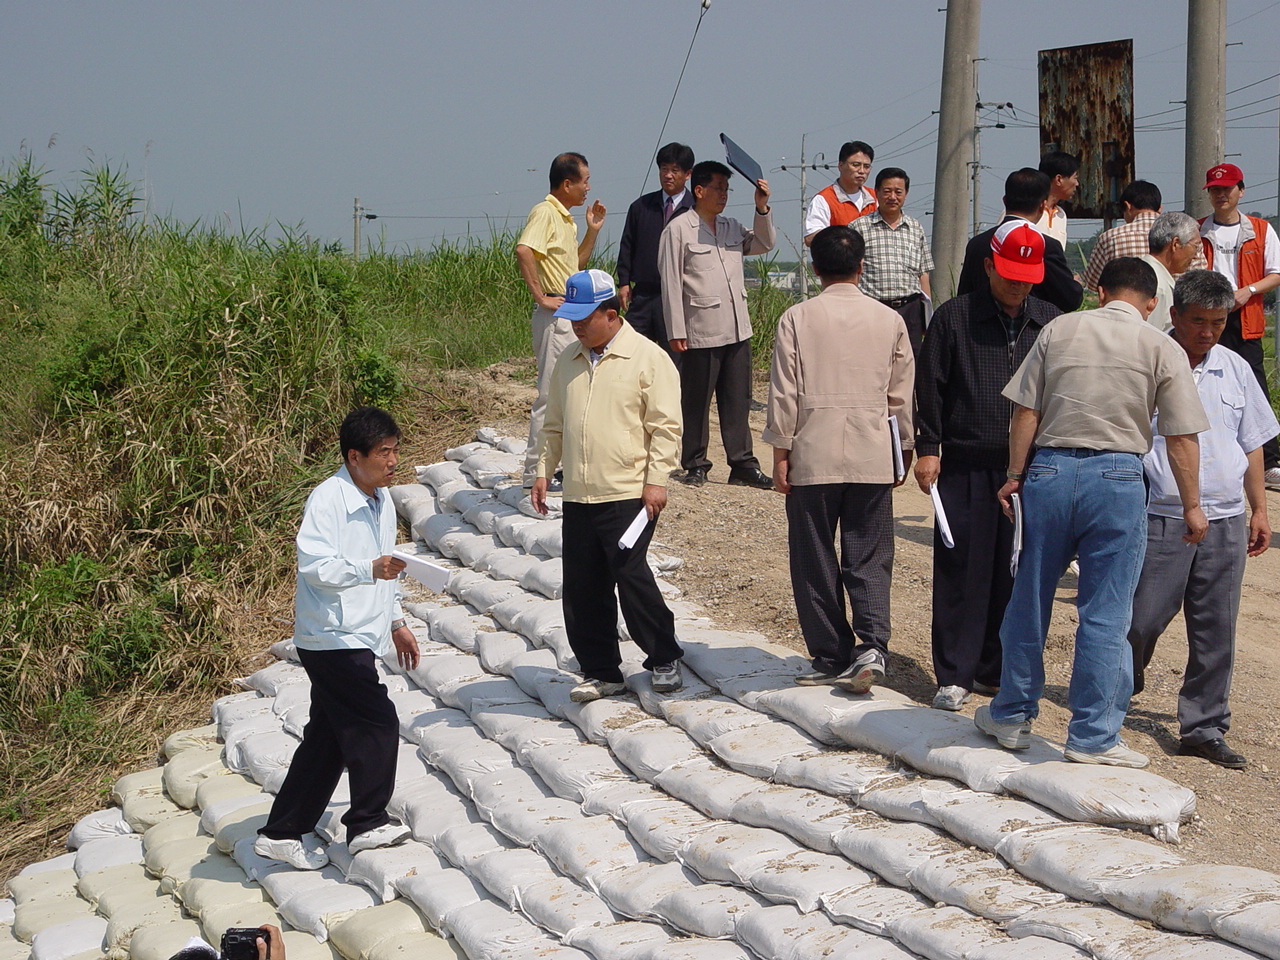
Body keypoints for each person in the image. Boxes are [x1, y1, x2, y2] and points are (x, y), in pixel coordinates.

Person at [974, 257, 1209, 769]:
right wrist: (1193, 505)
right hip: (1120, 478)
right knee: (1106, 611)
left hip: (1051, 472)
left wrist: (1016, 475)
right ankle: (1093, 736)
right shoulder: (1160, 345)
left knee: (1029, 598)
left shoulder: (1060, 328)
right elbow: (1181, 437)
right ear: (1152, 304)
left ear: (1100, 292)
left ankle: (1011, 714)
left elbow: (1026, 411)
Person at [255, 407, 421, 870]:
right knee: (378, 722)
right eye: (383, 453)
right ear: (354, 456)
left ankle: (282, 831)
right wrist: (367, 570)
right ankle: (367, 822)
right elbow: (314, 565)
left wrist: (395, 622)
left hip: (361, 632)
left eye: (395, 451)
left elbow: (386, 569)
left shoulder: (381, 500)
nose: (392, 461)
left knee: (327, 738)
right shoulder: (327, 500)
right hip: (331, 635)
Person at [1128, 270, 1277, 769]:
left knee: (1216, 629)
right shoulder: (1147, 362)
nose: (1207, 332)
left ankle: (1203, 725)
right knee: (1142, 617)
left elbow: (1251, 441)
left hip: (1226, 517)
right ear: (1174, 316)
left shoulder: (1235, 368)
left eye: (1217, 322)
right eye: (1197, 322)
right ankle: (1121, 681)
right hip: (1162, 515)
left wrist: (1259, 508)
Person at [914, 220, 1060, 711]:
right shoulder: (955, 317)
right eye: (1010, 274)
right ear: (988, 266)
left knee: (1014, 571)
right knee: (961, 568)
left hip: (1031, 468)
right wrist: (928, 445)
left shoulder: (1049, 322)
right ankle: (955, 673)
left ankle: (994, 672)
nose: (1019, 285)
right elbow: (929, 384)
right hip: (966, 462)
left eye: (1027, 276)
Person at [764, 226, 915, 693]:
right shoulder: (889, 319)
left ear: (815, 269)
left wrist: (780, 452)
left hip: (813, 450)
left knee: (813, 555)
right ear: (862, 266)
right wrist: (903, 448)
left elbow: (784, 392)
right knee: (869, 552)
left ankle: (830, 653)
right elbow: (901, 396)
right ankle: (871, 646)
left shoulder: (797, 318)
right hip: (872, 450)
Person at [532, 269, 685, 702]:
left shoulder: (648, 358)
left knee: (630, 574)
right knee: (582, 585)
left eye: (584, 318)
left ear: (612, 313)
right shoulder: (569, 360)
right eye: (572, 319)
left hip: (628, 493)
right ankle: (602, 671)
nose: (576, 327)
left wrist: (656, 482)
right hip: (580, 492)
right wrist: (544, 470)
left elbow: (666, 428)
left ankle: (663, 657)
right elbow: (554, 425)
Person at [659, 159, 775, 489]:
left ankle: (742, 464)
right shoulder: (679, 230)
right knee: (696, 400)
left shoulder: (731, 227)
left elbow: (764, 244)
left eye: (727, 189)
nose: (724, 194)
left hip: (737, 327)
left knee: (737, 399)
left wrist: (762, 209)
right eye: (718, 188)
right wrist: (676, 330)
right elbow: (670, 283)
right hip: (700, 329)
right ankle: (695, 463)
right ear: (699, 190)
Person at [515, 152, 607, 486]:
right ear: (566, 183)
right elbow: (524, 250)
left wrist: (592, 231)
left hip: (569, 311)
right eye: (584, 181)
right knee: (550, 395)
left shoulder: (566, 219)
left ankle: (557, 467)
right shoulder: (545, 213)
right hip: (554, 315)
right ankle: (534, 473)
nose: (588, 188)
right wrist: (540, 296)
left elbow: (574, 265)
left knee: (569, 392)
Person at [1198, 162, 1280, 486]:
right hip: (1207, 314)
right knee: (1203, 384)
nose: (1221, 195)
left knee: (1255, 387)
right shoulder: (1198, 228)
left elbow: (1275, 272)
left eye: (1227, 189)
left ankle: (1270, 461)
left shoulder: (1260, 229)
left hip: (1246, 317)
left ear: (1240, 191)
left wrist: (1249, 291)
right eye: (1215, 190)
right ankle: (1213, 454)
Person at [957, 168, 1083, 314]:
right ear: (1042, 206)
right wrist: (1077, 286)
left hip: (979, 330)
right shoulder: (1046, 246)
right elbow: (1069, 299)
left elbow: (964, 296)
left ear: (1004, 201)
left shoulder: (977, 243)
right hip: (1031, 330)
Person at [616, 142, 696, 360]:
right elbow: (627, 245)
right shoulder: (641, 206)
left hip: (679, 299)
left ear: (688, 174)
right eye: (664, 169)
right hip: (643, 295)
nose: (668, 175)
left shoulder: (696, 209)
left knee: (674, 358)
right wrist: (623, 282)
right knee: (629, 349)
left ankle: (674, 395)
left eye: (675, 170)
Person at [851, 167, 933, 359]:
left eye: (898, 192)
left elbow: (923, 274)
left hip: (910, 309)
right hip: (873, 308)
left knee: (910, 363)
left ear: (906, 194)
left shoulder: (915, 227)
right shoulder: (859, 227)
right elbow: (852, 274)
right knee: (872, 361)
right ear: (877, 192)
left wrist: (927, 317)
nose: (892, 197)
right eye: (887, 191)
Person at [1081, 180, 1162, 291]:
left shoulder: (1111, 237)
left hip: (1125, 306)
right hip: (1170, 307)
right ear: (1160, 209)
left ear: (1127, 206)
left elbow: (1092, 283)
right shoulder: (1183, 236)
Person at [803, 140, 877, 245]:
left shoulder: (875, 197)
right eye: (856, 165)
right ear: (840, 165)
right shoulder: (824, 199)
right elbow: (811, 238)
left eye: (866, 166)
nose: (861, 171)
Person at [1139, 212, 1201, 332]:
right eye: (1196, 246)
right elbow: (1150, 338)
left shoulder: (1144, 272)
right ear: (1176, 244)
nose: (1196, 256)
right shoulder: (1158, 287)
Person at [1034, 150, 1079, 247]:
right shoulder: (1023, 211)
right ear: (1059, 179)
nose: (1077, 184)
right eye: (1075, 178)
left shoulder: (1061, 215)